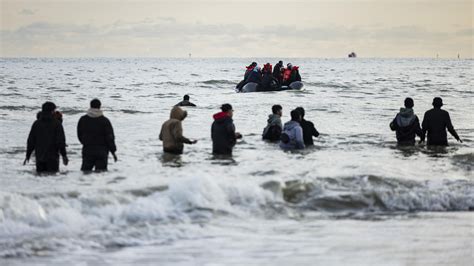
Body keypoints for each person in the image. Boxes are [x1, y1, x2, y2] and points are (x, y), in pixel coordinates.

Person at [25, 101, 68, 173]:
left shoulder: (36, 123)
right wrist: (64, 155)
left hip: (39, 157)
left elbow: (31, 141)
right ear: (52, 111)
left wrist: (28, 155)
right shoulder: (57, 124)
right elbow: (60, 142)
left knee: (40, 177)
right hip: (53, 157)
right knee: (52, 177)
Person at [77, 99, 117, 171]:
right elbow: (110, 137)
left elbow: (79, 134)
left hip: (88, 149)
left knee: (85, 173)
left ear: (90, 106)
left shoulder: (83, 119)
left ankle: (82, 183)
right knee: (101, 175)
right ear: (100, 107)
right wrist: (113, 151)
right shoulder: (105, 120)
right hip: (102, 151)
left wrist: (85, 142)